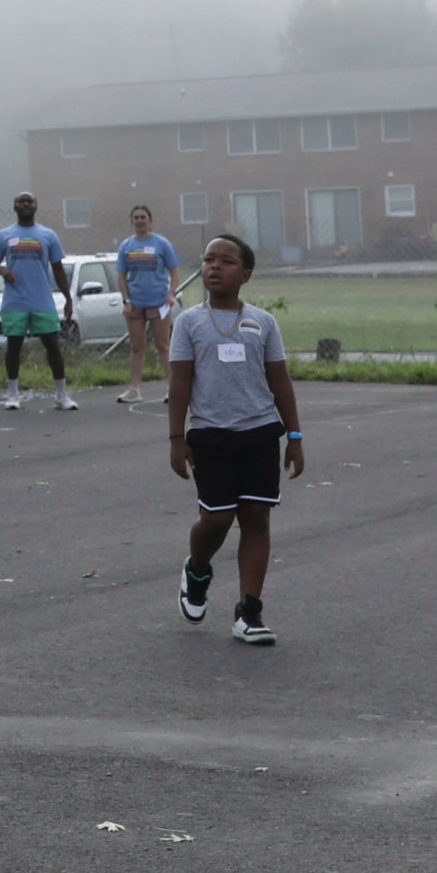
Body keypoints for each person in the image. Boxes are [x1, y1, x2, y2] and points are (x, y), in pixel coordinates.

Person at [167, 233, 301, 646]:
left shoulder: (263, 322)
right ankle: (197, 570)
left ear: (244, 274)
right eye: (208, 259)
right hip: (210, 435)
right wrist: (176, 438)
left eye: (226, 261)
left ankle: (249, 612)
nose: (214, 267)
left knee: (256, 518)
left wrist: (294, 435)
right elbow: (180, 382)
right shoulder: (189, 322)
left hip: (260, 433)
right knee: (218, 518)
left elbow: (280, 381)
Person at [0, 192, 77, 412]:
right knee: (14, 348)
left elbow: (57, 268)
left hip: (42, 301)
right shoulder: (3, 235)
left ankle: (62, 395)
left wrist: (67, 298)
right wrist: (2, 270)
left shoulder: (48, 235)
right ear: (14, 207)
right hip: (15, 302)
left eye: (30, 202)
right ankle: (13, 394)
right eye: (21, 201)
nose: (25, 204)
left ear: (36, 207)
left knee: (53, 346)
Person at [115, 205, 182, 404]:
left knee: (163, 345)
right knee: (137, 346)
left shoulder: (161, 244)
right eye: (136, 217)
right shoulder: (126, 246)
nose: (140, 220)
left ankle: (173, 388)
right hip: (136, 303)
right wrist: (126, 301)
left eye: (143, 217)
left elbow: (174, 271)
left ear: (150, 220)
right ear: (132, 221)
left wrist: (171, 294)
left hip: (159, 302)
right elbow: (121, 276)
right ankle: (134, 389)